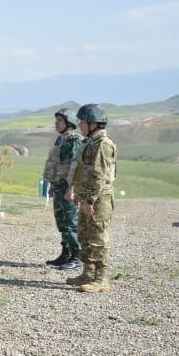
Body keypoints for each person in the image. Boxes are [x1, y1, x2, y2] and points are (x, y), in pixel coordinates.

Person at [65, 103, 119, 293]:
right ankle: (87, 274)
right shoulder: (90, 142)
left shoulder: (103, 145)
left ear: (93, 123)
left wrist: (89, 201)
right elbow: (83, 171)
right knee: (85, 236)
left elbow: (100, 175)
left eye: (82, 122)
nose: (79, 125)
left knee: (97, 238)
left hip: (98, 200)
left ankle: (100, 279)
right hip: (87, 198)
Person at [42, 108, 84, 271]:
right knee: (62, 222)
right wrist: (52, 184)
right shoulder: (61, 140)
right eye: (57, 120)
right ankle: (65, 254)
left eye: (59, 121)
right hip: (59, 186)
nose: (56, 123)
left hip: (68, 188)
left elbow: (75, 167)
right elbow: (56, 163)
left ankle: (77, 256)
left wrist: (72, 189)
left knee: (71, 222)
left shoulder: (75, 141)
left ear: (69, 123)